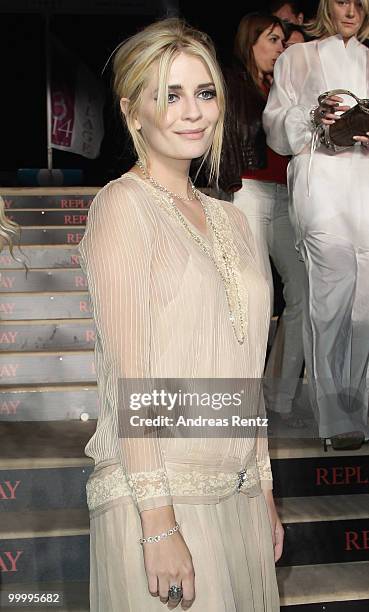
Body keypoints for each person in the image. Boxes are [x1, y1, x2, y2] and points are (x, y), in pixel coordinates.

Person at [78, 17, 283, 612]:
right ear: (131, 110)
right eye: (169, 94)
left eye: (204, 92)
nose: (193, 111)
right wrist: (160, 526)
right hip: (161, 498)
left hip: (238, 496)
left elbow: (247, 376)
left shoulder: (234, 219)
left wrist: (264, 487)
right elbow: (129, 377)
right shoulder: (122, 207)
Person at [263, 0, 369, 450]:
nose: (353, 10)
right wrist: (313, 115)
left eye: (360, 2)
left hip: (364, 184)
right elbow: (274, 125)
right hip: (319, 184)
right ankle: (334, 415)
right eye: (344, 1)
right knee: (329, 294)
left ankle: (357, 407)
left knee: (364, 301)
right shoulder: (298, 57)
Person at [219, 13, 306, 428]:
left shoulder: (287, 87)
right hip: (247, 190)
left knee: (304, 294)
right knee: (258, 293)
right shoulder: (231, 83)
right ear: (251, 41)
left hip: (287, 194)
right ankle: (245, 397)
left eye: (283, 41)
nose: (281, 47)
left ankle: (280, 394)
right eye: (273, 39)